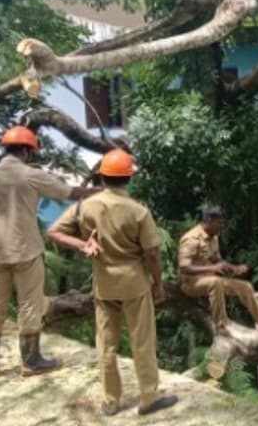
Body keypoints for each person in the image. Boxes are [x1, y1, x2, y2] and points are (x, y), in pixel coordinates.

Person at [46, 149, 177, 417]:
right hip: (134, 284)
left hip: (104, 284)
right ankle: (148, 398)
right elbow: (152, 254)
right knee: (143, 342)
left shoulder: (85, 206)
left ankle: (111, 401)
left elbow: (54, 231)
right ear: (129, 178)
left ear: (102, 177)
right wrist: (158, 283)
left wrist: (84, 245)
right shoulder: (138, 211)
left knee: (106, 344)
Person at [0, 125, 102, 378]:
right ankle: (31, 361)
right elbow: (69, 193)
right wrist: (100, 190)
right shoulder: (31, 174)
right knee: (29, 305)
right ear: (28, 151)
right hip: (26, 251)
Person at [177, 205, 258, 336]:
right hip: (190, 284)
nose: (221, 226)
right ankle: (221, 326)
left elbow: (218, 261)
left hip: (210, 280)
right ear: (208, 220)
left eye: (223, 223)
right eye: (219, 223)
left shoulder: (213, 238)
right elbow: (184, 268)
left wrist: (235, 268)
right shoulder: (191, 239)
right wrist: (212, 268)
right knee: (215, 282)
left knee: (245, 287)